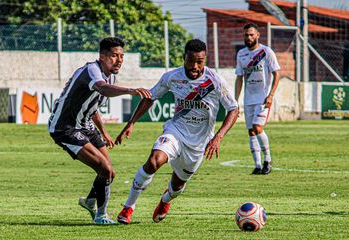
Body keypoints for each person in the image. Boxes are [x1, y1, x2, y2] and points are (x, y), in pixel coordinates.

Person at [115, 39, 239, 224]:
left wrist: (218, 137)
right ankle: (128, 207)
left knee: (178, 185)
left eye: (200, 61)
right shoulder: (172, 76)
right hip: (176, 131)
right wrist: (131, 122)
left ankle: (165, 200)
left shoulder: (215, 81)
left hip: (199, 142)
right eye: (191, 60)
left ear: (205, 59)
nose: (195, 66)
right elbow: (151, 97)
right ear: (184, 58)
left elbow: (234, 109)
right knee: (154, 161)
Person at [47, 37, 151, 225]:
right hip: (65, 127)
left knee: (109, 173)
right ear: (102, 56)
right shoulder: (92, 71)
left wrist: (104, 132)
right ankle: (101, 216)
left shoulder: (110, 75)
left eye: (121, 56)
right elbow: (102, 88)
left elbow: (93, 107)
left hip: (85, 125)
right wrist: (130, 90)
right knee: (105, 169)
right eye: (114, 56)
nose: (119, 60)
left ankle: (89, 202)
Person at [234, 23, 281, 175]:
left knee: (257, 127)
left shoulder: (266, 52)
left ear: (258, 35)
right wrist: (235, 101)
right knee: (250, 131)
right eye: (246, 35)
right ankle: (257, 165)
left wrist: (271, 95)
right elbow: (239, 78)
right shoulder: (241, 54)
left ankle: (268, 160)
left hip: (263, 99)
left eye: (251, 35)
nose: (248, 37)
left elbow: (277, 74)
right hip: (249, 99)